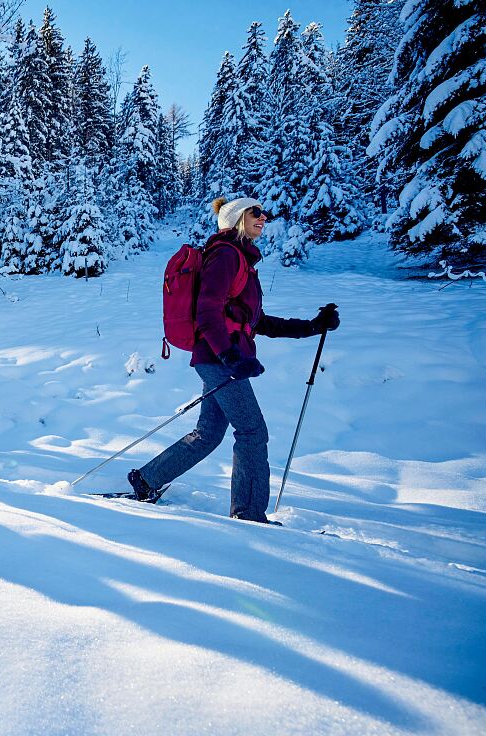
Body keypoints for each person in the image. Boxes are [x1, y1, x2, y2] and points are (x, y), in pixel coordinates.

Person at [125, 196, 340, 523]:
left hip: (220, 357)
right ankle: (249, 515)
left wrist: (313, 326)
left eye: (263, 213)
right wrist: (229, 355)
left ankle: (147, 480)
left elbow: (259, 322)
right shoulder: (225, 255)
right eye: (256, 212)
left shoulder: (242, 260)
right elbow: (207, 310)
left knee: (209, 433)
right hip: (219, 358)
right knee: (253, 431)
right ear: (238, 218)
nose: (263, 217)